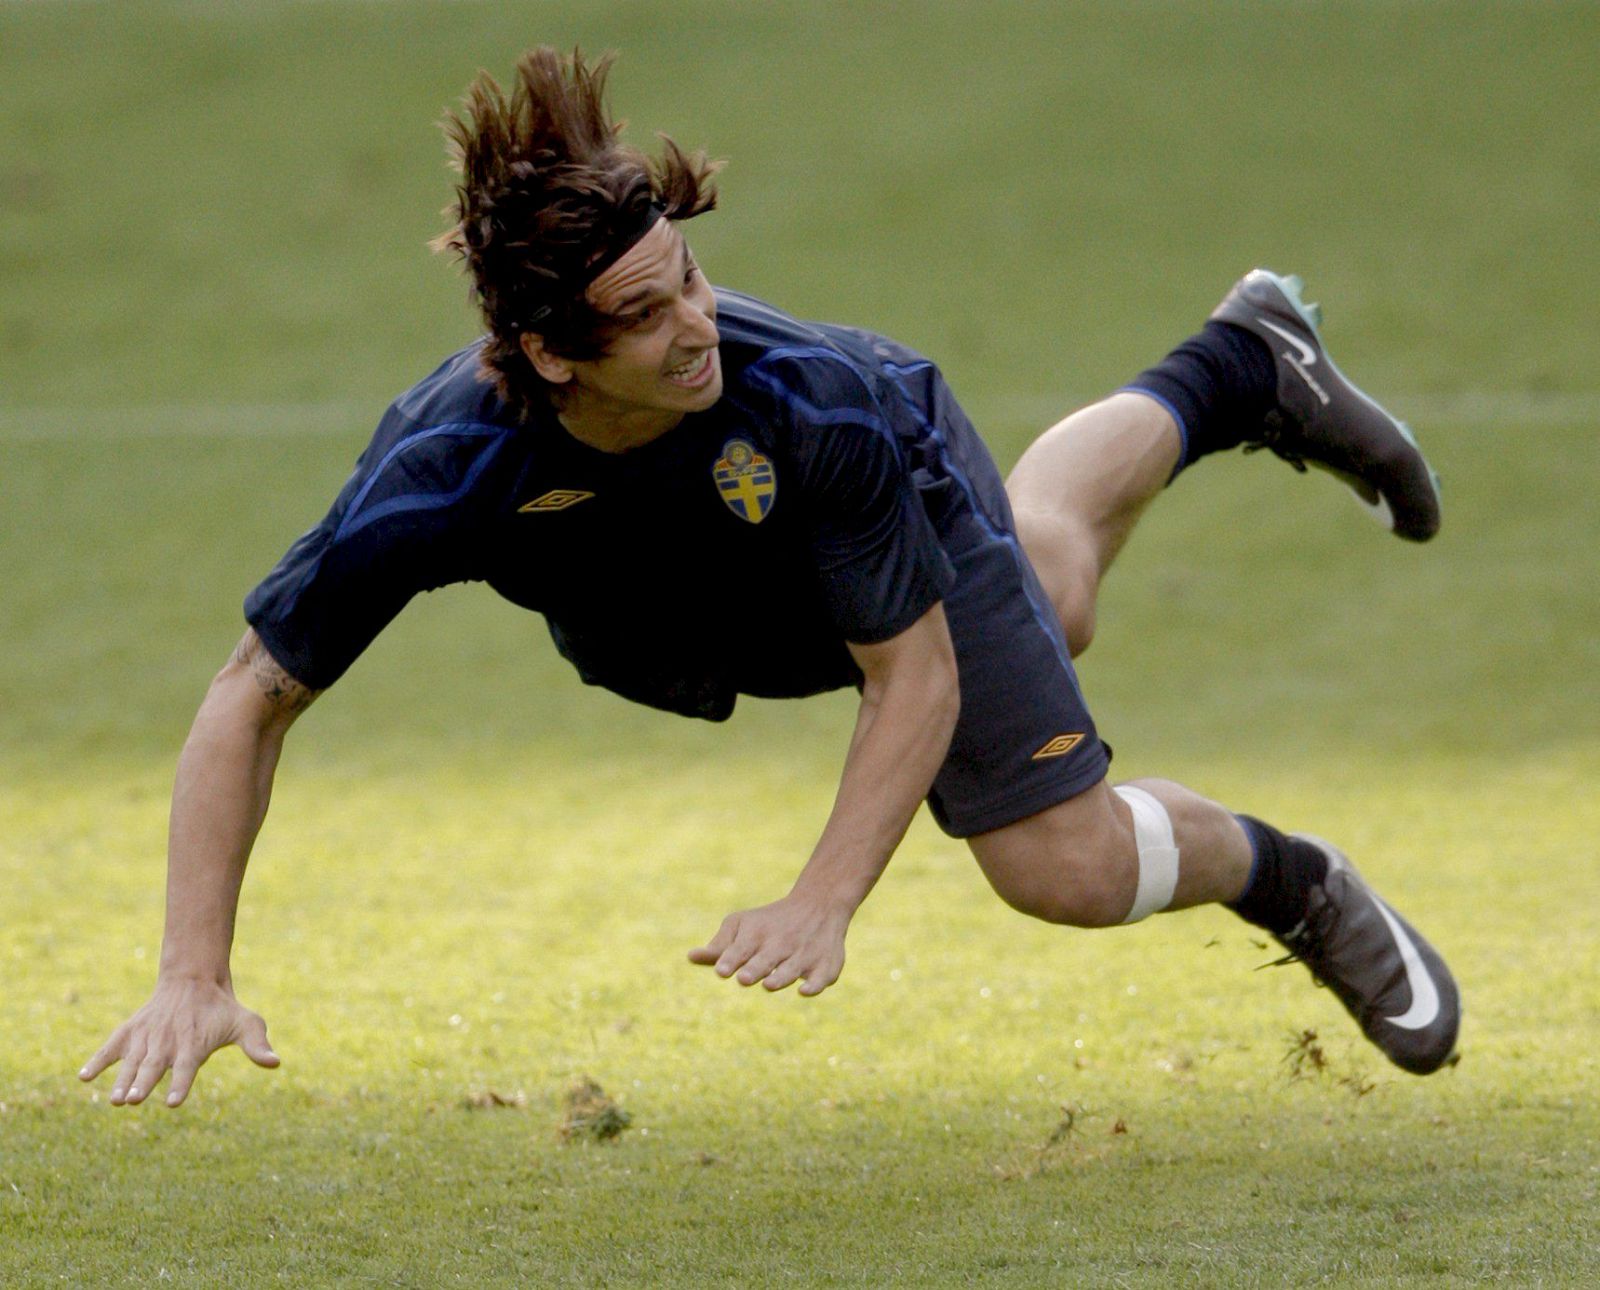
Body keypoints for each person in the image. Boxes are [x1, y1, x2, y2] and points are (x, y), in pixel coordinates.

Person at [80, 48, 1459, 1110]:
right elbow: (249, 695)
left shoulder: (810, 400)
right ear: (552, 351)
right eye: (646, 315)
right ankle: (1245, 362)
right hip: (709, 598)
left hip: (867, 487)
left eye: (692, 277)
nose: (698, 329)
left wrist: (822, 895)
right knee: (1054, 588)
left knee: (1061, 859)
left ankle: (1296, 879)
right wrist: (189, 975)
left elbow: (909, 674)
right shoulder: (445, 469)